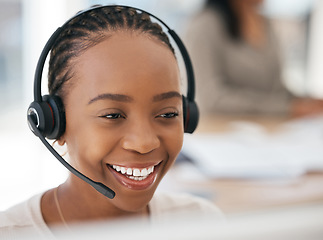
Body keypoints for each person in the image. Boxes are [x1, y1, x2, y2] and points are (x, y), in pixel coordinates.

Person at [0, 5, 222, 238]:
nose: (144, 143)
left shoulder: (202, 223)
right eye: (112, 115)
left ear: (187, 116)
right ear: (54, 122)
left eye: (167, 114)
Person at [184, 0, 323, 117]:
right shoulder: (204, 25)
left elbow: (276, 89)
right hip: (223, 134)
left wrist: (305, 101)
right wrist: (287, 108)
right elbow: (212, 99)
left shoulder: (265, 23)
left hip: (270, 132)